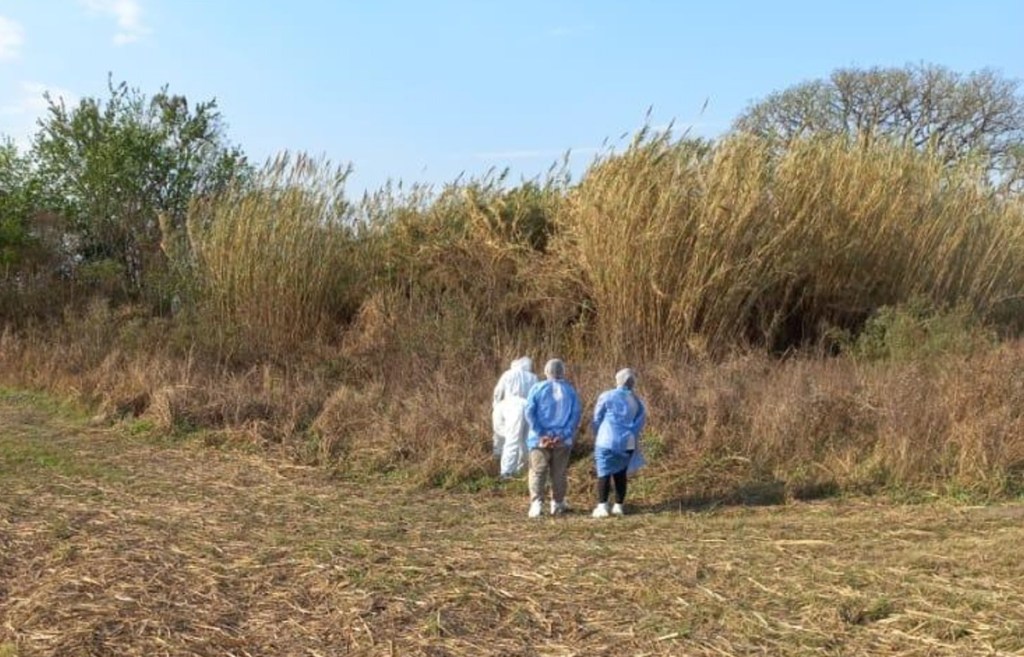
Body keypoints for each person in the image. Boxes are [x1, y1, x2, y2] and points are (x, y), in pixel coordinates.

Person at [524, 358, 581, 518]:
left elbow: (529, 412)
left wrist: (541, 433)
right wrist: (562, 435)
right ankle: (557, 502)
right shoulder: (570, 391)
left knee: (538, 471)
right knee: (559, 473)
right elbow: (575, 416)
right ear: (563, 371)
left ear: (546, 371)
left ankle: (536, 504)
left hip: (539, 439)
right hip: (562, 441)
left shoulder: (537, 388)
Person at [591, 368, 647, 518]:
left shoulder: (607, 396)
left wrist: (598, 432)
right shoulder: (637, 401)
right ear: (632, 382)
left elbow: (597, 417)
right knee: (621, 474)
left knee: (603, 472)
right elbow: (640, 423)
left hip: (606, 439)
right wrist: (630, 434)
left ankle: (602, 506)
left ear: (618, 380)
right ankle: (618, 506)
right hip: (627, 441)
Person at [491, 357, 538, 478]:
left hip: (511, 405)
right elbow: (536, 395)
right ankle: (522, 469)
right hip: (528, 406)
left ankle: (506, 471)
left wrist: (496, 405)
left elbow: (498, 391)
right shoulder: (533, 377)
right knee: (526, 440)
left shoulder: (508, 374)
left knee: (512, 438)